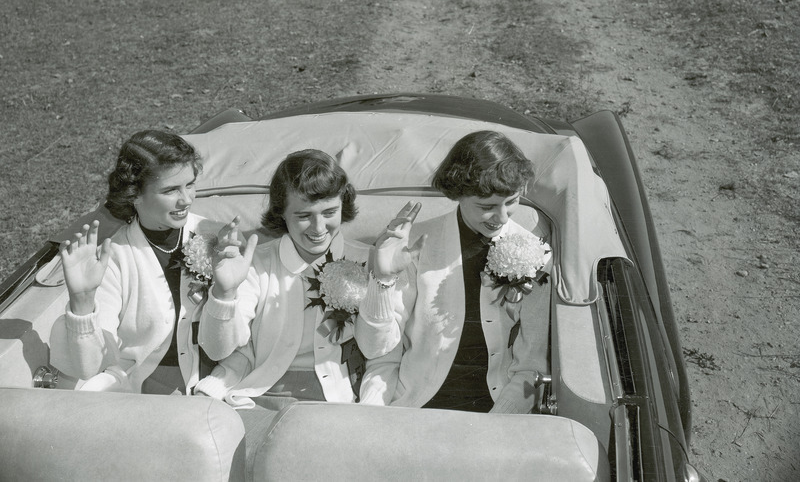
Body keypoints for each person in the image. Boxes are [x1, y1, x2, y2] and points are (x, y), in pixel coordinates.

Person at [194, 149, 416, 410]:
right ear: (281, 214)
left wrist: (382, 281)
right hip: (256, 399)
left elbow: (379, 354)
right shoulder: (255, 265)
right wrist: (224, 292)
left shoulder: (376, 262)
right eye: (303, 216)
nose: (319, 228)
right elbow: (217, 351)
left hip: (339, 404)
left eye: (329, 212)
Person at [356, 130, 552, 413]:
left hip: (497, 410)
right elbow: (376, 351)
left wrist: (497, 425)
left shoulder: (537, 255)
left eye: (511, 201)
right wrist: (382, 279)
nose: (503, 217)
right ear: (458, 194)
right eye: (487, 207)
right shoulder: (415, 246)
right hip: (416, 406)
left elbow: (531, 365)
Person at [49, 130, 257, 395]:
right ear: (134, 194)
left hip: (220, 384)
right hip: (143, 391)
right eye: (171, 190)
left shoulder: (219, 238)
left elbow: (223, 350)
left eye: (190, 184)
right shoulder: (113, 257)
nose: (187, 199)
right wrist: (82, 301)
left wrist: (224, 293)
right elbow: (90, 367)